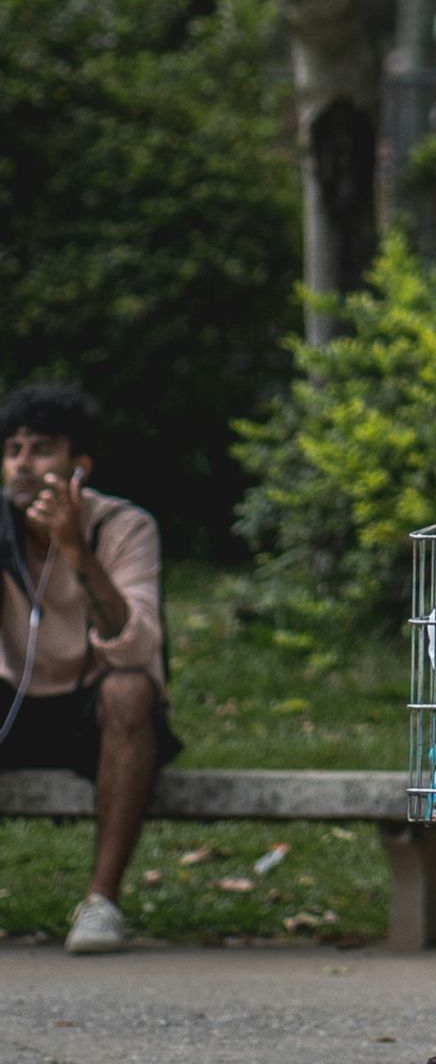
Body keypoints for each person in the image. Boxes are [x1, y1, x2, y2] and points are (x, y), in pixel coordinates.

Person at [0, 382, 180, 956]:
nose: (23, 465)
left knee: (130, 691)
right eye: (12, 450)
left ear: (79, 467)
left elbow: (134, 652)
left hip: (94, 708)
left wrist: (75, 550)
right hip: (14, 700)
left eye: (42, 449)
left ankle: (101, 903)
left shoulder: (125, 527)